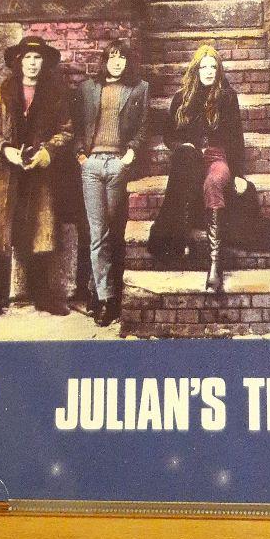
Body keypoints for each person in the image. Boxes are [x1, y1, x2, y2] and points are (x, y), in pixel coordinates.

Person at [0, 35, 74, 322]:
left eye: (37, 58)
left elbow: (67, 131)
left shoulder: (55, 94)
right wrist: (6, 150)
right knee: (3, 235)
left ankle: (43, 297)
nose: (32, 63)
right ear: (19, 61)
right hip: (8, 175)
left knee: (39, 234)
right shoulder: (3, 92)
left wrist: (46, 153)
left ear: (44, 62)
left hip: (39, 175)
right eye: (28, 58)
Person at [147, 44, 247, 292]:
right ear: (196, 70)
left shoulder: (227, 97)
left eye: (213, 67)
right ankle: (179, 240)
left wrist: (239, 174)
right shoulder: (182, 98)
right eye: (204, 67)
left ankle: (215, 265)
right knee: (185, 171)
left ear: (218, 70)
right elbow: (169, 136)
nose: (209, 71)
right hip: (190, 159)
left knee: (213, 182)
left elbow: (236, 138)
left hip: (217, 157)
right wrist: (184, 146)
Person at [73, 40, 149, 327]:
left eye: (122, 58)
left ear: (127, 62)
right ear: (104, 61)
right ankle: (105, 298)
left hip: (118, 164)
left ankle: (105, 293)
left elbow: (143, 126)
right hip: (92, 165)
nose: (117, 62)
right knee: (97, 233)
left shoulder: (139, 88)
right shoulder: (87, 88)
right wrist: (81, 156)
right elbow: (76, 125)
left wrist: (130, 154)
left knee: (114, 230)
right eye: (112, 57)